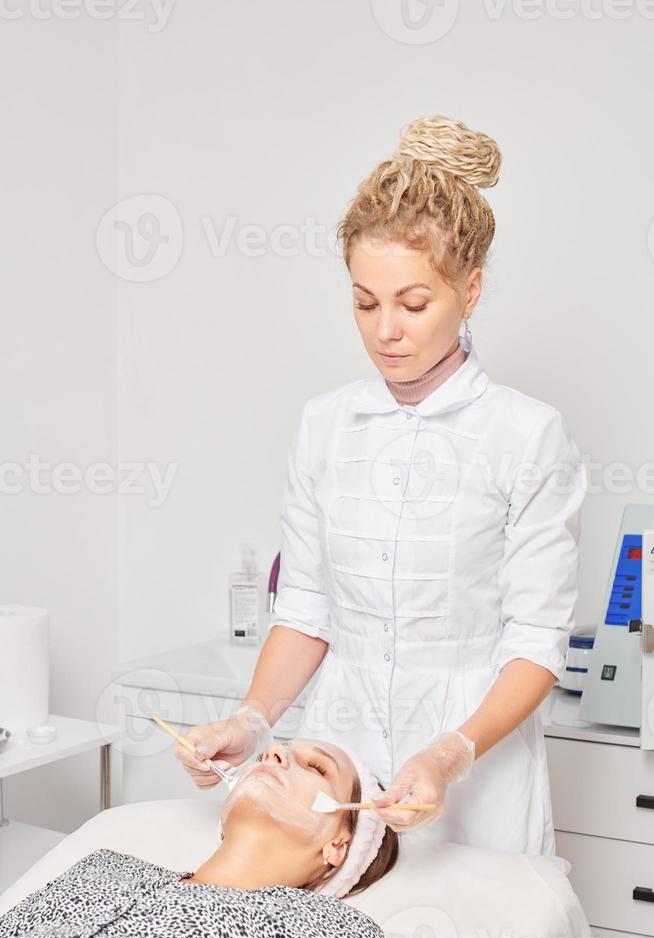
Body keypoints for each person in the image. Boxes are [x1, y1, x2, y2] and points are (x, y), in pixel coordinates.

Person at [176, 114, 587, 857]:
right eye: (365, 303)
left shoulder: (527, 436)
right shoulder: (325, 426)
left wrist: (449, 753)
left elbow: (534, 643)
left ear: (471, 288)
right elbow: (306, 610)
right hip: (340, 762)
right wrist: (252, 721)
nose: (385, 331)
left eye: (413, 303)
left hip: (476, 772)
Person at [0, 736, 398, 938]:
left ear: (339, 846)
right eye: (266, 754)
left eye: (316, 767)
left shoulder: (332, 931)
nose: (273, 752)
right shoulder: (106, 867)